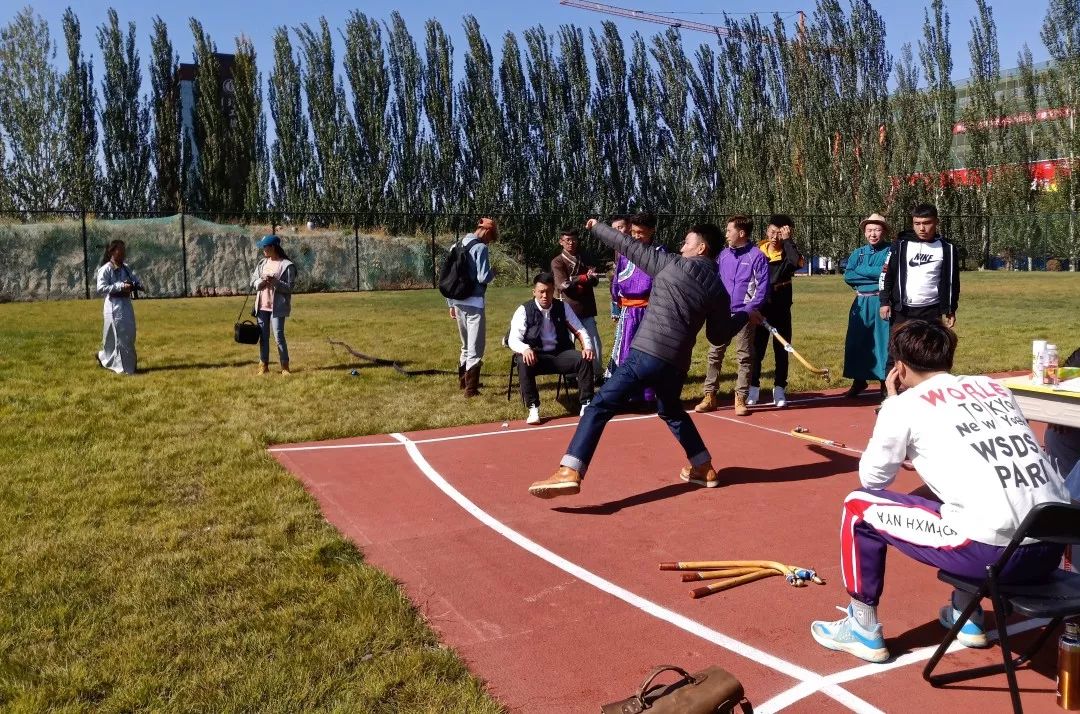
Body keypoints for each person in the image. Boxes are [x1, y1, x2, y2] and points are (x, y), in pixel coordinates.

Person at [810, 320, 1069, 663]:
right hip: (1052, 546)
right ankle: (967, 613)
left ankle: (862, 627)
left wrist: (890, 405)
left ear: (900, 368)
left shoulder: (903, 406)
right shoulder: (993, 387)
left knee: (858, 506)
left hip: (991, 557)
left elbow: (873, 480)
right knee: (957, 498)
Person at [527, 221, 746, 498]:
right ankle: (703, 467)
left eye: (687, 243)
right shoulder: (718, 289)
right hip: (677, 365)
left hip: (646, 354)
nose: (681, 247)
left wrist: (596, 226)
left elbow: (626, 244)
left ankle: (570, 471)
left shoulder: (669, 264)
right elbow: (718, 336)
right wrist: (744, 314)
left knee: (599, 406)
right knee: (671, 411)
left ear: (701, 248)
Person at [695, 215, 768, 417]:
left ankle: (741, 397)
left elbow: (762, 289)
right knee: (714, 354)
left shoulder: (757, 256)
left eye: (729, 230)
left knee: (744, 356)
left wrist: (750, 309)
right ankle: (709, 395)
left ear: (741, 233)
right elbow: (714, 280)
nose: (726, 234)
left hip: (744, 314)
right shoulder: (723, 255)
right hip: (721, 313)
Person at [880, 203, 960, 374]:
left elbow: (952, 281)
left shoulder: (947, 248)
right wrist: (884, 301)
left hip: (931, 310)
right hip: (902, 310)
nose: (922, 228)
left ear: (936, 222)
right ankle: (889, 389)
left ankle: (928, 388)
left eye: (927, 223)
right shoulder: (900, 245)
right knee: (895, 353)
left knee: (931, 353)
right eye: (917, 223)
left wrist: (950, 309)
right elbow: (887, 274)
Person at [507, 273, 595, 425]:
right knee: (522, 361)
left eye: (548, 291)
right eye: (541, 291)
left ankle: (587, 404)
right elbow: (513, 339)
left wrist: (587, 347)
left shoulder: (563, 307)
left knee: (584, 358)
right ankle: (533, 408)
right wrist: (525, 349)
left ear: (553, 290)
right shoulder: (524, 310)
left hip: (560, 354)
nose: (545, 295)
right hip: (537, 356)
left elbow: (579, 329)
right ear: (534, 292)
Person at [608, 212, 665, 405]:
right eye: (633, 232)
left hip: (652, 311)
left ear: (652, 231)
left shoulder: (660, 253)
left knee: (651, 353)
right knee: (626, 352)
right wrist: (617, 304)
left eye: (641, 232)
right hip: (629, 313)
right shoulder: (625, 252)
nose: (636, 236)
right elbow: (616, 283)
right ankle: (627, 395)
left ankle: (649, 396)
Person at [748, 214, 804, 408]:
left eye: (780, 234)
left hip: (781, 307)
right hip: (761, 307)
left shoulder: (789, 253)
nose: (775, 237)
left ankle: (779, 388)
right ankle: (753, 387)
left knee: (782, 348)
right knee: (757, 349)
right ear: (767, 231)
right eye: (772, 232)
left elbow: (796, 262)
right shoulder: (757, 252)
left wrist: (788, 241)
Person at [843, 213, 893, 398]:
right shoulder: (858, 253)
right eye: (869, 230)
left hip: (882, 302)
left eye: (877, 230)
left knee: (882, 342)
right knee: (857, 341)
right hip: (861, 302)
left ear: (884, 231)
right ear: (864, 232)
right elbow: (849, 276)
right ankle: (859, 380)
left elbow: (888, 274)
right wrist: (875, 275)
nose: (873, 234)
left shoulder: (891, 251)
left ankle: (885, 382)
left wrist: (862, 270)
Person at [448, 218, 498, 397]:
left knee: (465, 345)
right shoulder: (480, 248)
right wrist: (493, 272)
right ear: (487, 231)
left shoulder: (455, 245)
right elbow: (483, 277)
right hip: (474, 302)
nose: (489, 242)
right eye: (491, 238)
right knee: (476, 347)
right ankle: (471, 389)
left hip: (457, 300)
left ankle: (463, 381)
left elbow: (450, 277)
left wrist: (450, 303)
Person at [551, 226, 602, 387]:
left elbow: (595, 279)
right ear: (561, 242)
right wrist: (583, 278)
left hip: (586, 307)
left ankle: (597, 373)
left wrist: (582, 280)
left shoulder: (585, 257)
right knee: (568, 343)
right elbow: (562, 284)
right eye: (567, 240)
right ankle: (571, 375)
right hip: (567, 308)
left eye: (574, 239)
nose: (571, 243)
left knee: (593, 341)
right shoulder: (558, 261)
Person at [251, 234, 297, 375]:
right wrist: (261, 282)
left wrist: (275, 282)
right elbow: (253, 281)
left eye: (265, 247)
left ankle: (285, 367)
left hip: (277, 307)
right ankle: (263, 366)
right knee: (263, 338)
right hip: (262, 306)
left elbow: (289, 288)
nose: (263, 249)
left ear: (273, 247)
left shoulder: (287, 265)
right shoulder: (262, 263)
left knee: (279, 337)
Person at [96, 240, 143, 374]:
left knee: (129, 333)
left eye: (124, 250)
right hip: (113, 305)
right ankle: (124, 368)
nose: (123, 253)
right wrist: (120, 286)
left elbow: (133, 279)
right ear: (112, 251)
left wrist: (137, 284)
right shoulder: (106, 269)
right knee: (119, 335)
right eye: (120, 250)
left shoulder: (125, 268)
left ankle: (109, 359)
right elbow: (101, 288)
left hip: (126, 303)